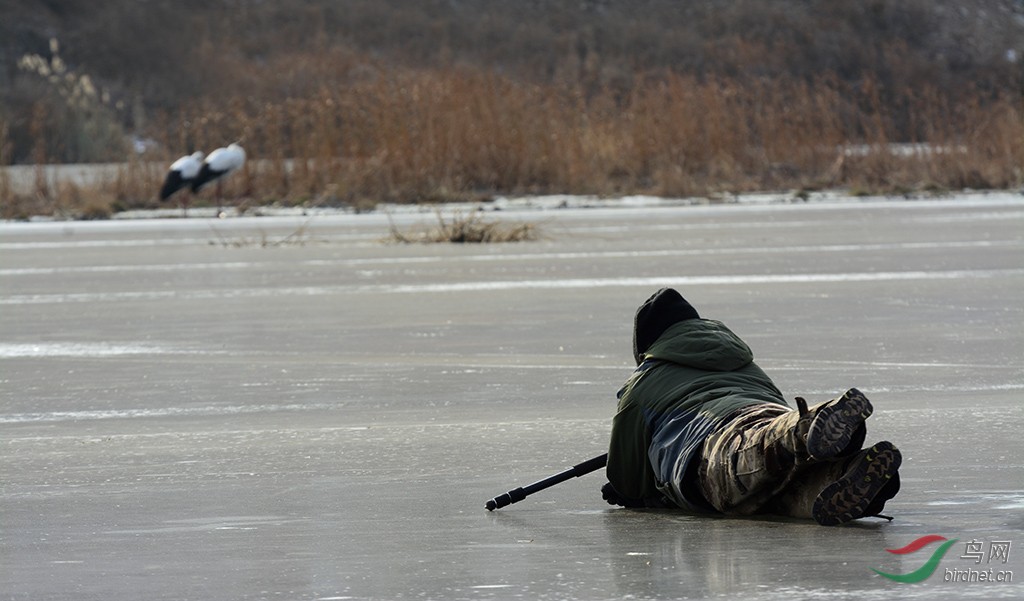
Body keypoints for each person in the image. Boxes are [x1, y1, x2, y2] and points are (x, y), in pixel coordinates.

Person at [603, 288, 902, 526]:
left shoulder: (643, 382)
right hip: (765, 413)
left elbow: (627, 476)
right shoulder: (745, 363)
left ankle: (801, 430)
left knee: (746, 458)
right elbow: (774, 403)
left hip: (706, 442)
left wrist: (626, 492)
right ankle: (846, 470)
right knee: (773, 492)